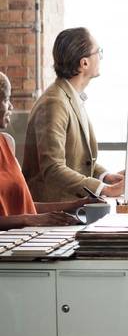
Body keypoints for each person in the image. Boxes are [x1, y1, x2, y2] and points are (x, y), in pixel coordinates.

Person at [23, 28, 126, 202]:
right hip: (54, 210)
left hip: (72, 205)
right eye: (98, 52)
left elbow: (77, 160)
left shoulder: (71, 97)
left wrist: (105, 177)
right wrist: (105, 190)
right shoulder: (54, 103)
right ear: (84, 63)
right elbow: (53, 168)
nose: (100, 57)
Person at [0, 72, 89, 229]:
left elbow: (25, 207)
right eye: (6, 99)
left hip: (24, 241)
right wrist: (29, 220)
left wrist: (77, 204)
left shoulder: (7, 143)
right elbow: (26, 217)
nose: (11, 106)